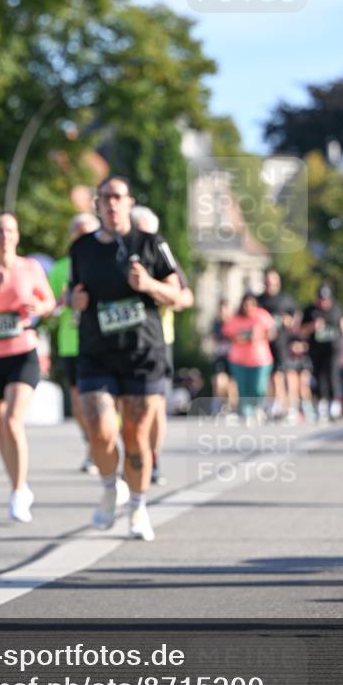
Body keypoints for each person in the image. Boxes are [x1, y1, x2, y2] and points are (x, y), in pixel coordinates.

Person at [69, 177, 182, 542]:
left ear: (130, 202)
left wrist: (149, 285)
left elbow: (182, 296)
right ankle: (108, 488)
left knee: (136, 438)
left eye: (118, 197)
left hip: (142, 354)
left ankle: (137, 507)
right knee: (100, 429)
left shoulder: (151, 243)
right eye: (104, 197)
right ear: (97, 204)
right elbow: (74, 291)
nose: (112, 203)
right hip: (97, 353)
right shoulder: (82, 248)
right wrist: (74, 301)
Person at [0, 213, 56, 522]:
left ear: (17, 236)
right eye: (0, 230)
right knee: (1, 425)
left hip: (23, 352)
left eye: (11, 230)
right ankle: (19, 484)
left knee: (14, 421)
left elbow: (49, 302)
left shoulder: (30, 267)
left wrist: (38, 307)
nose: (6, 236)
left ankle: (18, 492)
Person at [131, 206, 193, 485]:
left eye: (147, 232)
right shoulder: (116, 254)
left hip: (158, 340)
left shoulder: (161, 254)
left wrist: (157, 291)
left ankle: (152, 456)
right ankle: (132, 454)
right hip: (121, 341)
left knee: (155, 403)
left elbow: (185, 296)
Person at [47, 213, 100, 475]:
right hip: (71, 342)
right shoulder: (60, 268)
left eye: (89, 232)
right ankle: (91, 445)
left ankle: (105, 442)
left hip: (100, 341)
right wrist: (63, 301)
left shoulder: (105, 260)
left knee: (102, 399)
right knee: (79, 403)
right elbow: (48, 305)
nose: (84, 238)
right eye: (79, 233)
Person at [222, 293, 276, 423]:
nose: (248, 307)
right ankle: (247, 412)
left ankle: (257, 407)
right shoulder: (236, 318)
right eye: (245, 304)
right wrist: (239, 337)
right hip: (239, 360)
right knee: (243, 388)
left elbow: (272, 332)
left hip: (260, 360)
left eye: (251, 304)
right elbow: (227, 333)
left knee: (258, 387)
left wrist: (260, 336)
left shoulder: (262, 316)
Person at [257, 269, 298, 419]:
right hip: (262, 345)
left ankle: (284, 406)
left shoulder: (285, 300)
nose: (270, 285)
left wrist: (288, 321)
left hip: (281, 343)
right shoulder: (259, 300)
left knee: (280, 375)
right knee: (266, 376)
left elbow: (294, 319)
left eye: (273, 282)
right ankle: (270, 404)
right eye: (268, 282)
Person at [300, 283, 343, 421]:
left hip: (332, 349)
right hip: (316, 349)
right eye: (321, 299)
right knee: (318, 377)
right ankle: (321, 406)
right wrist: (312, 326)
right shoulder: (310, 310)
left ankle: (334, 407)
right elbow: (301, 331)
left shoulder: (336, 309)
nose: (323, 302)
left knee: (332, 375)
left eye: (326, 299)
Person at [211, 299, 236, 414]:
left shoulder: (234, 322)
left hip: (233, 358)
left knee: (232, 385)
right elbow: (215, 338)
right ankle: (218, 405)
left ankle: (232, 408)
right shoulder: (216, 324)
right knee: (219, 380)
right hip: (221, 357)